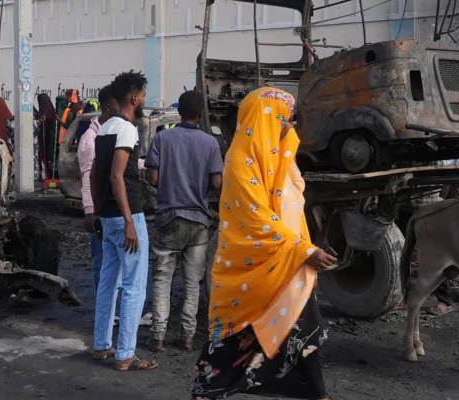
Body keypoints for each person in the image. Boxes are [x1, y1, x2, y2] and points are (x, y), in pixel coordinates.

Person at [191, 87, 336, 400]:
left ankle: (318, 396)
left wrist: (305, 252)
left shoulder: (281, 161)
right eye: (283, 119)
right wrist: (304, 251)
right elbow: (255, 219)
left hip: (286, 268)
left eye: (290, 120)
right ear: (264, 118)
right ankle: (206, 393)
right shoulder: (241, 162)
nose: (289, 127)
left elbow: (293, 212)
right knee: (230, 343)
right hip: (248, 272)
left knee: (301, 336)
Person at [144, 91, 223, 353]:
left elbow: (153, 179)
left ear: (180, 112)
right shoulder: (210, 143)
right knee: (192, 284)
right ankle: (187, 337)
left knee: (163, 279)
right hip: (199, 221)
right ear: (200, 115)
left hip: (168, 219)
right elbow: (216, 183)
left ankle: (157, 337)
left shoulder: (163, 137)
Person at [90, 70, 156, 371]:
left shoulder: (104, 128)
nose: (144, 99)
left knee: (108, 282)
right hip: (128, 216)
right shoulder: (127, 129)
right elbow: (117, 175)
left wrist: (99, 210)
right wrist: (130, 221)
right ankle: (126, 354)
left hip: (108, 217)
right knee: (134, 286)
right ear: (133, 97)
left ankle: (102, 345)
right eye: (143, 95)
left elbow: (94, 174)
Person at [78, 85, 118, 292]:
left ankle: (112, 308)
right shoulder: (90, 141)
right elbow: (87, 177)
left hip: (113, 210)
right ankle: (104, 306)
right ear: (110, 107)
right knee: (101, 261)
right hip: (99, 212)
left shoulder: (112, 132)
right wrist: (90, 211)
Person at [34, 94, 56, 180]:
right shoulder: (52, 110)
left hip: (45, 138)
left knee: (44, 155)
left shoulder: (43, 113)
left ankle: (47, 175)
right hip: (49, 139)